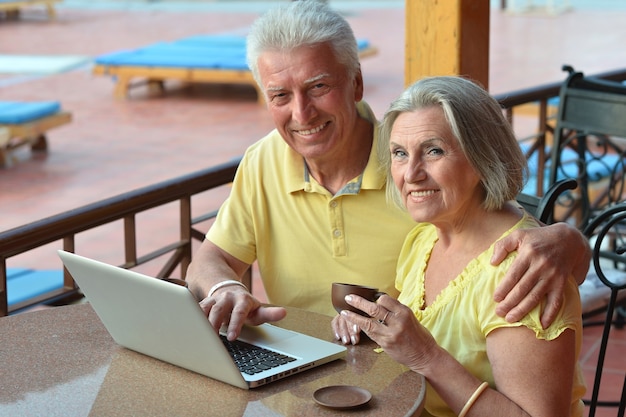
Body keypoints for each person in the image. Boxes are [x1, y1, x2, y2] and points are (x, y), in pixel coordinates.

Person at [186, 0, 590, 343]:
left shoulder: (413, 167)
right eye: (280, 96)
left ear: (356, 84)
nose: (301, 113)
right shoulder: (263, 161)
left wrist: (570, 241)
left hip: (402, 382)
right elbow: (208, 260)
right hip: (299, 377)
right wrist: (226, 287)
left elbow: (498, 229)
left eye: (318, 87)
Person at [336, 76, 585, 417]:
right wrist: (373, 334)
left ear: (483, 157)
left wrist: (426, 356)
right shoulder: (424, 240)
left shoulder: (523, 268)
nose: (411, 174)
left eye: (434, 150)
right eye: (399, 153)